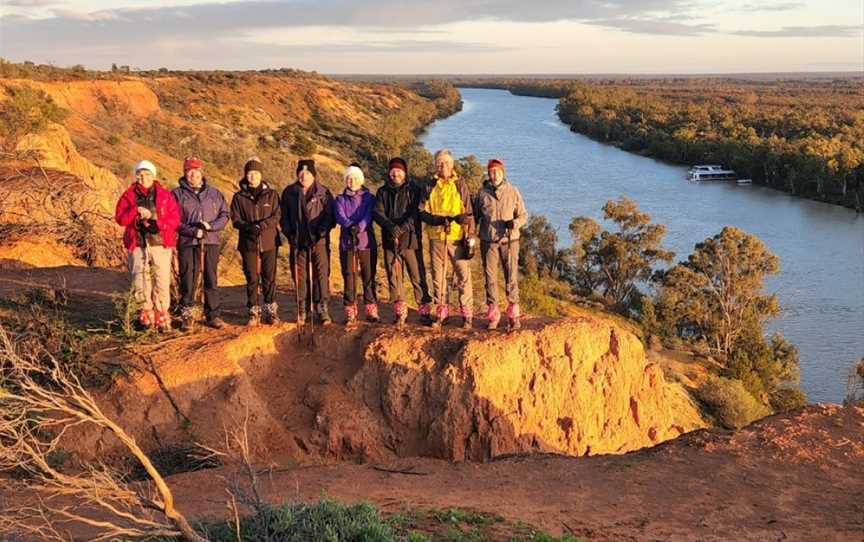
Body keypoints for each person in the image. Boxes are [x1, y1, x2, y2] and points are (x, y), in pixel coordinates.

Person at [114, 160, 180, 331]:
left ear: (153, 175)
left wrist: (156, 219)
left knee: (162, 279)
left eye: (147, 174)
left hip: (160, 243)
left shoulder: (165, 195)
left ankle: (162, 313)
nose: (143, 177)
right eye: (140, 174)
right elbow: (120, 219)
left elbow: (175, 219)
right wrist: (135, 211)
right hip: (138, 243)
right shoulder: (128, 195)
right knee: (140, 279)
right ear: (136, 176)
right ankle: (145, 314)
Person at [373, 157, 433, 326]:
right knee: (394, 275)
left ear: (404, 172)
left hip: (411, 238)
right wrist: (390, 226)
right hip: (390, 238)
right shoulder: (382, 191)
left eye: (398, 170)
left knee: (417, 275)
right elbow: (377, 212)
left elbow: (417, 211)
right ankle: (400, 310)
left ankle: (424, 310)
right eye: (393, 170)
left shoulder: (414, 190)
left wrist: (404, 227)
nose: (395, 173)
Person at [419, 149, 475, 329]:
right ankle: (442, 312)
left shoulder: (460, 184)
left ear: (452, 165)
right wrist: (436, 220)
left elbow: (470, 213)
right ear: (435, 165)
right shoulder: (429, 186)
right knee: (438, 277)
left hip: (458, 237)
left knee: (463, 275)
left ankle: (467, 313)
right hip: (436, 237)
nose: (443, 166)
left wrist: (470, 235)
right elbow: (421, 211)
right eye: (440, 163)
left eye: (447, 163)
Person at [172, 156, 229, 330]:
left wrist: (210, 227)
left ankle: (212, 315)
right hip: (188, 242)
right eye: (190, 171)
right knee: (188, 278)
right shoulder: (176, 194)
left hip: (210, 241)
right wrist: (192, 231)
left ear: (201, 172)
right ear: (184, 173)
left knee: (211, 278)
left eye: (196, 170)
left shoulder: (214, 193)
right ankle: (187, 316)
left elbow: (224, 215)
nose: (193, 174)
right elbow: (172, 220)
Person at [474, 158, 528, 330]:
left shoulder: (513, 191)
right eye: (491, 171)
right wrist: (469, 236)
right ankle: (494, 315)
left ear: (503, 172)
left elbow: (523, 215)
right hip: (488, 242)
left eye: (497, 171)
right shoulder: (482, 194)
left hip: (510, 241)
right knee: (490, 278)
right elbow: (474, 217)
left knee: (511, 277)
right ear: (488, 174)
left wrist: (515, 223)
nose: (494, 174)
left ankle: (513, 314)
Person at [280, 159, 334, 325]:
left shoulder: (323, 192)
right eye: (301, 173)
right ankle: (303, 308)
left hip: (319, 241)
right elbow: (284, 217)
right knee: (300, 276)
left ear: (314, 175)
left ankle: (322, 308)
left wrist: (320, 233)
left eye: (308, 173)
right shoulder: (289, 192)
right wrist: (290, 235)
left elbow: (330, 217)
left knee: (321, 274)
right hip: (298, 242)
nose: (304, 176)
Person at [230, 157, 282, 326]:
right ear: (246, 175)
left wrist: (262, 225)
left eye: (256, 173)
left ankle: (270, 309)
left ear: (261, 174)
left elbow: (277, 216)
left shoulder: (272, 195)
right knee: (252, 277)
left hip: (269, 241)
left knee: (269, 276)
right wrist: (248, 227)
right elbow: (235, 218)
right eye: (250, 173)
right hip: (248, 242)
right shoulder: (239, 197)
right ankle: (253, 309)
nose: (253, 177)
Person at [334, 164, 378, 325]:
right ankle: (350, 308)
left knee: (368, 276)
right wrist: (349, 225)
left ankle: (370, 307)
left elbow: (368, 215)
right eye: (348, 178)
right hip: (347, 243)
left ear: (360, 180)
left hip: (366, 243)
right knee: (349, 276)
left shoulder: (369, 198)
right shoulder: (340, 199)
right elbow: (339, 215)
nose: (351, 181)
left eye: (354, 178)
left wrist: (358, 227)